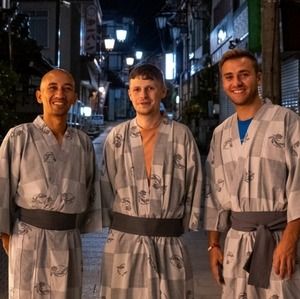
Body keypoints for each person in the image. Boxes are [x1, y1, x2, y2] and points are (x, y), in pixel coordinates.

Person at [99, 63, 202, 298]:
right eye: (137, 89)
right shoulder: (117, 137)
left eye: (150, 88)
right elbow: (107, 188)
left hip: (169, 244)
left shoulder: (181, 135)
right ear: (129, 93)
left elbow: (194, 186)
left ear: (163, 91)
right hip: (124, 244)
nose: (143, 95)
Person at [204, 48, 300, 298]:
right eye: (228, 77)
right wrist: (213, 245)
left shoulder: (287, 121)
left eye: (243, 74)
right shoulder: (221, 133)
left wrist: (290, 239)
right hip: (236, 244)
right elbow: (214, 194)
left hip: (279, 240)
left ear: (258, 78)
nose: (236, 82)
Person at [0, 68, 101, 299]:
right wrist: (8, 239)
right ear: (39, 96)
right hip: (28, 237)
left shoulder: (83, 143)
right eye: (52, 88)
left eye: (67, 89)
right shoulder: (18, 136)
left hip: (68, 239)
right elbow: (2, 189)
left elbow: (89, 189)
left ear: (75, 97)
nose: (60, 94)